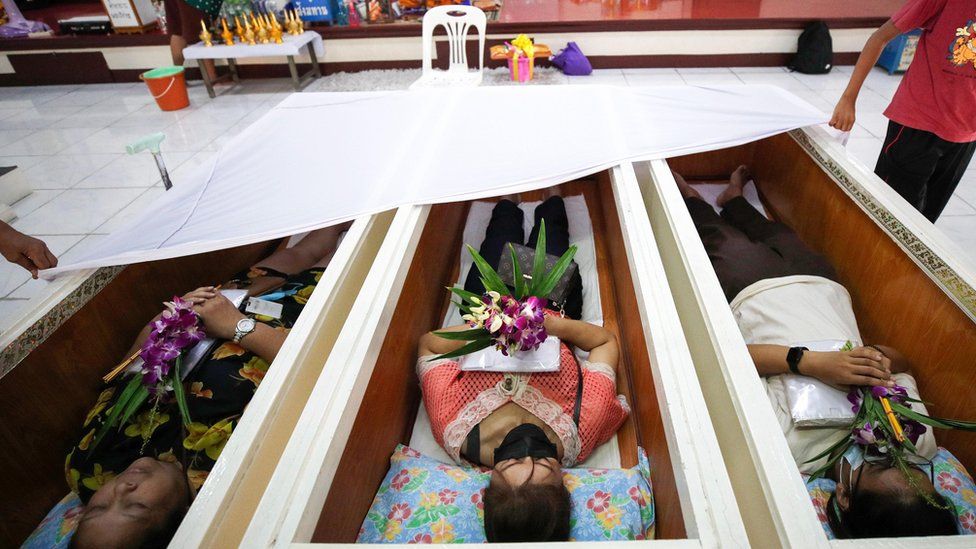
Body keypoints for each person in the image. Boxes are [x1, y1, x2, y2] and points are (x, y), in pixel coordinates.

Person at [674, 165, 957, 539]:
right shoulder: (916, 440)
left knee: (722, 239)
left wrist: (809, 362)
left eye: (878, 469)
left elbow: (725, 360)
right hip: (825, 292)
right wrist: (875, 359)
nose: (893, 459)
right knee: (778, 234)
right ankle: (735, 199)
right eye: (916, 472)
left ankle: (695, 200)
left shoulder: (795, 449)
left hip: (756, 294)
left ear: (843, 495)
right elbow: (903, 364)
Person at [66, 223, 350, 549]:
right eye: (136, 507)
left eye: (98, 508)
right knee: (346, 251)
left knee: (304, 249)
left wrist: (169, 322)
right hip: (294, 321)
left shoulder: (91, 465)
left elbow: (125, 370)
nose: (120, 490)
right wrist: (238, 327)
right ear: (178, 519)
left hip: (224, 301)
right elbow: (320, 370)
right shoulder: (222, 477)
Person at [417, 195, 629, 543]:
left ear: (488, 482)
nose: (528, 451)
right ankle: (554, 191)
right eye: (544, 464)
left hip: (488, 301)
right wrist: (548, 323)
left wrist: (492, 322)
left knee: (502, 222)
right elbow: (604, 344)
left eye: (511, 463)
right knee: (552, 222)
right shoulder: (584, 426)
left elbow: (429, 344)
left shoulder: (454, 428)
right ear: (564, 480)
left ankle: (509, 198)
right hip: (551, 305)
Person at [830, 0, 976, 222]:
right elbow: (880, 37)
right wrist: (848, 99)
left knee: (923, 226)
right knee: (884, 216)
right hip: (917, 125)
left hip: (965, 135)